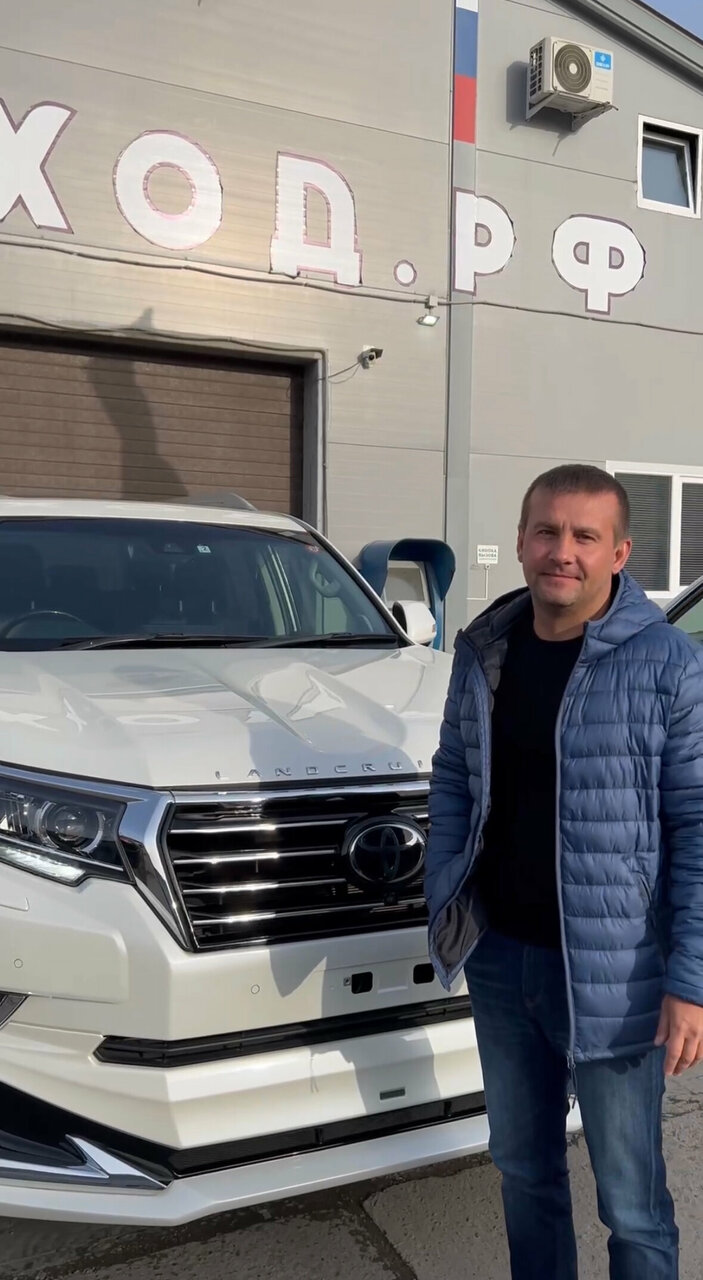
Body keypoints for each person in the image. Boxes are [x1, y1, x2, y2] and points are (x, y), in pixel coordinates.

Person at [425, 464, 703, 1280]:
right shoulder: (484, 649)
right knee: (523, 1171)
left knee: (631, 1204)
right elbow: (453, 774)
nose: (562, 551)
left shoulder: (667, 665)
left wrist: (689, 981)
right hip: (501, 960)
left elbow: (696, 826)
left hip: (619, 977)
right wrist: (446, 888)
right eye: (546, 531)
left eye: (585, 536)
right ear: (520, 541)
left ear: (618, 553)